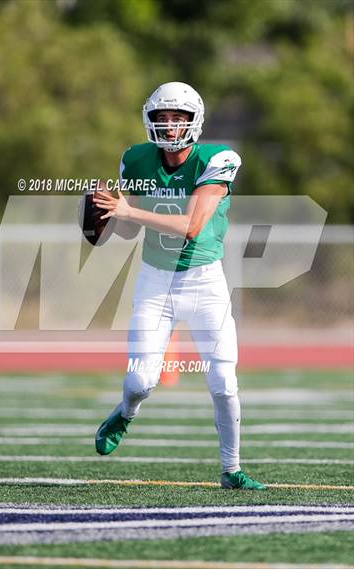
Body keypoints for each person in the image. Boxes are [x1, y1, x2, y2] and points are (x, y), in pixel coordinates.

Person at [93, 81, 265, 490]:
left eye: (179, 117)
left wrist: (129, 211)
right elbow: (125, 233)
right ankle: (125, 412)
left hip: (206, 282)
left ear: (194, 120)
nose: (170, 125)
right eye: (162, 117)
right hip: (156, 282)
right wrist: (103, 217)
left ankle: (232, 470)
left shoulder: (217, 158)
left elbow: (191, 226)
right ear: (149, 120)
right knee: (141, 381)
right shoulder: (134, 161)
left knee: (223, 381)